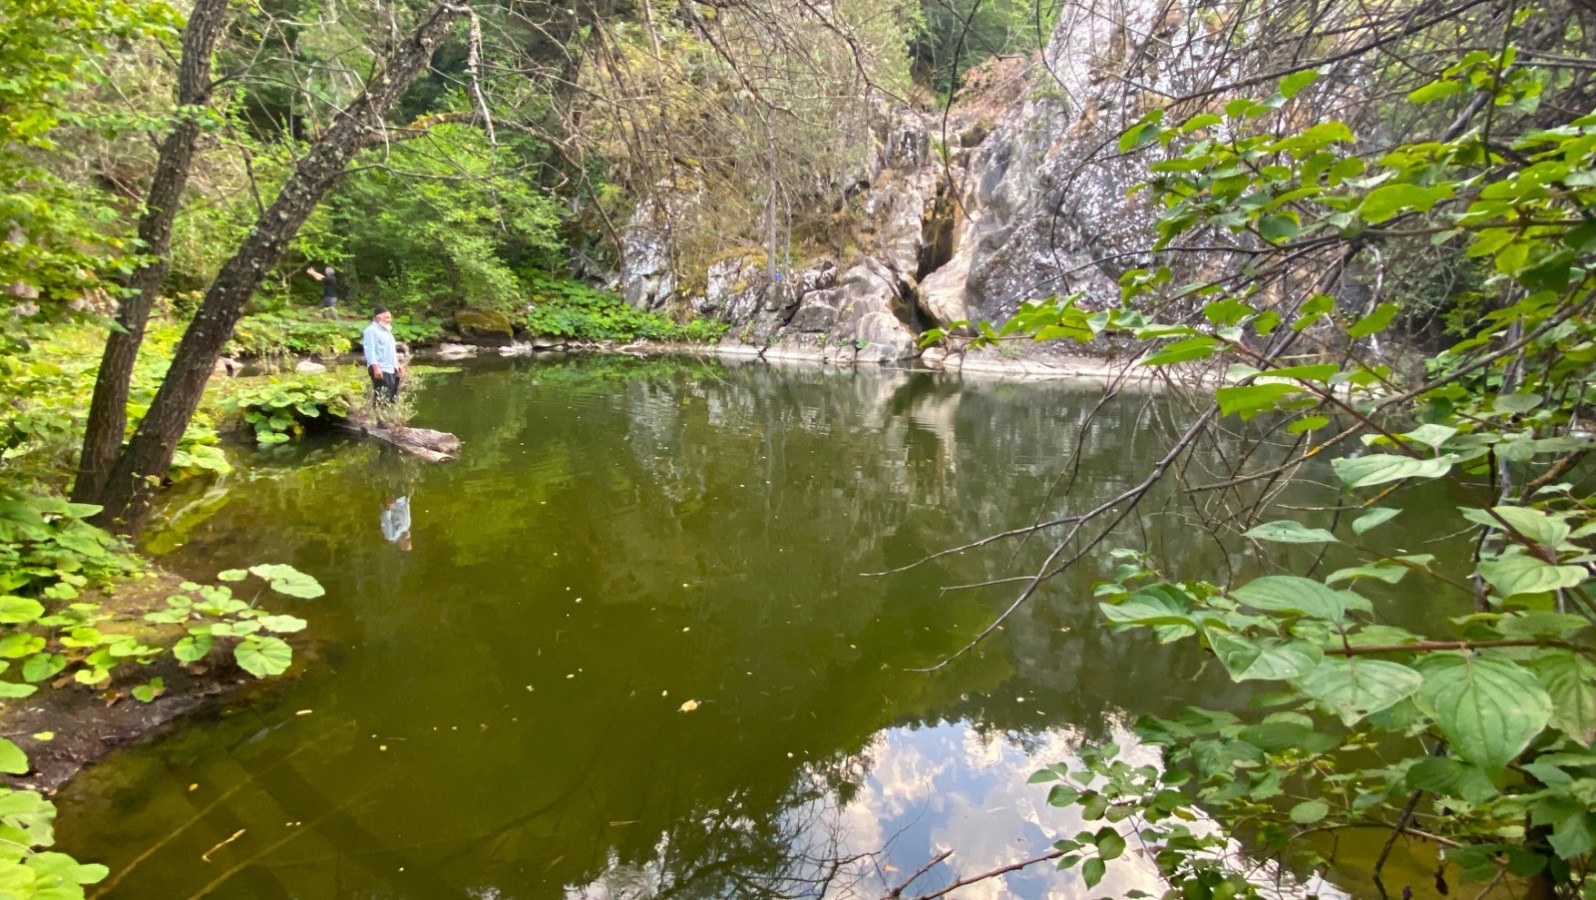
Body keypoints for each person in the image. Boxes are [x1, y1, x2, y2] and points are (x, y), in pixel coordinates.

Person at [363, 306, 403, 406]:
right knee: (382, 396)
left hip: (391, 367)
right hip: (381, 368)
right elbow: (369, 350)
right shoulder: (371, 331)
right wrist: (376, 368)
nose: (390, 320)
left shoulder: (386, 331)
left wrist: (397, 364)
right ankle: (379, 420)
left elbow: (390, 351)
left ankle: (388, 418)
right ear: (378, 318)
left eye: (390, 317)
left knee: (392, 396)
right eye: (387, 318)